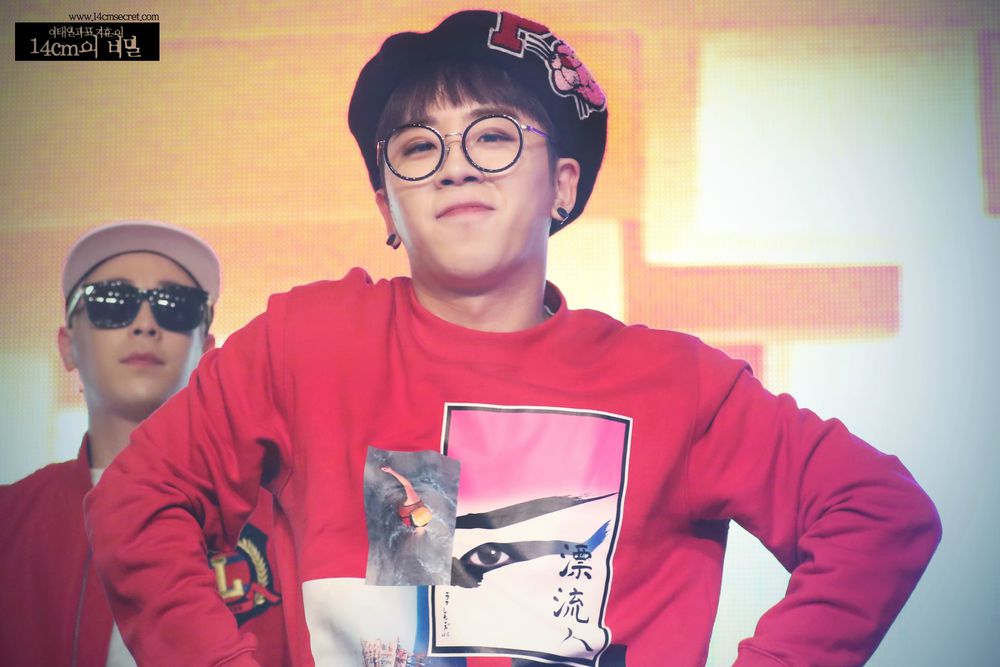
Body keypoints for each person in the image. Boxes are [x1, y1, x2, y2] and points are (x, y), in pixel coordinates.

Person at [85, 11, 941, 667]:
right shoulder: (311, 344)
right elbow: (135, 505)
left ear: (562, 185)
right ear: (388, 206)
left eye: (493, 136)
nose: (456, 164)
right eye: (418, 147)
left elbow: (879, 512)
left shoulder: (675, 384)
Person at [0, 221, 287, 667]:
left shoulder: (283, 518)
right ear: (68, 345)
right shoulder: (10, 520)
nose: (145, 324)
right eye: (112, 302)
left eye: (176, 307)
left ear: (207, 349)